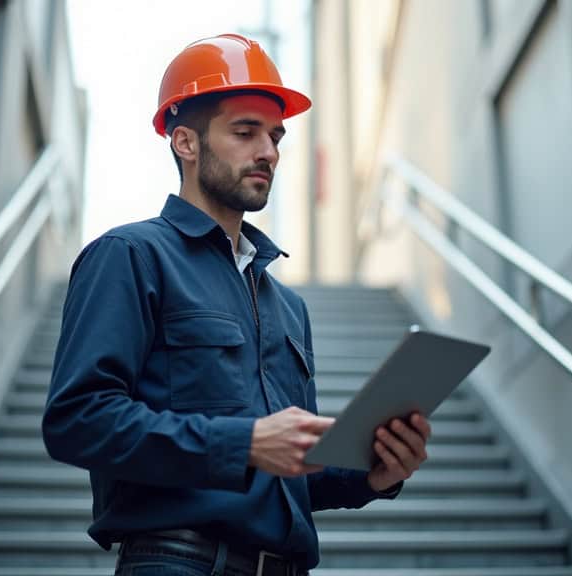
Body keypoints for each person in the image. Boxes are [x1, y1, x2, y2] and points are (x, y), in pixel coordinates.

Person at [42, 33, 432, 576]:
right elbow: (76, 421)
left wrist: (372, 473)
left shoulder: (286, 305)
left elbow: (285, 474)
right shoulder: (129, 256)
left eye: (275, 136)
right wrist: (244, 441)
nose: (269, 151)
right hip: (178, 563)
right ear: (186, 142)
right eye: (245, 132)